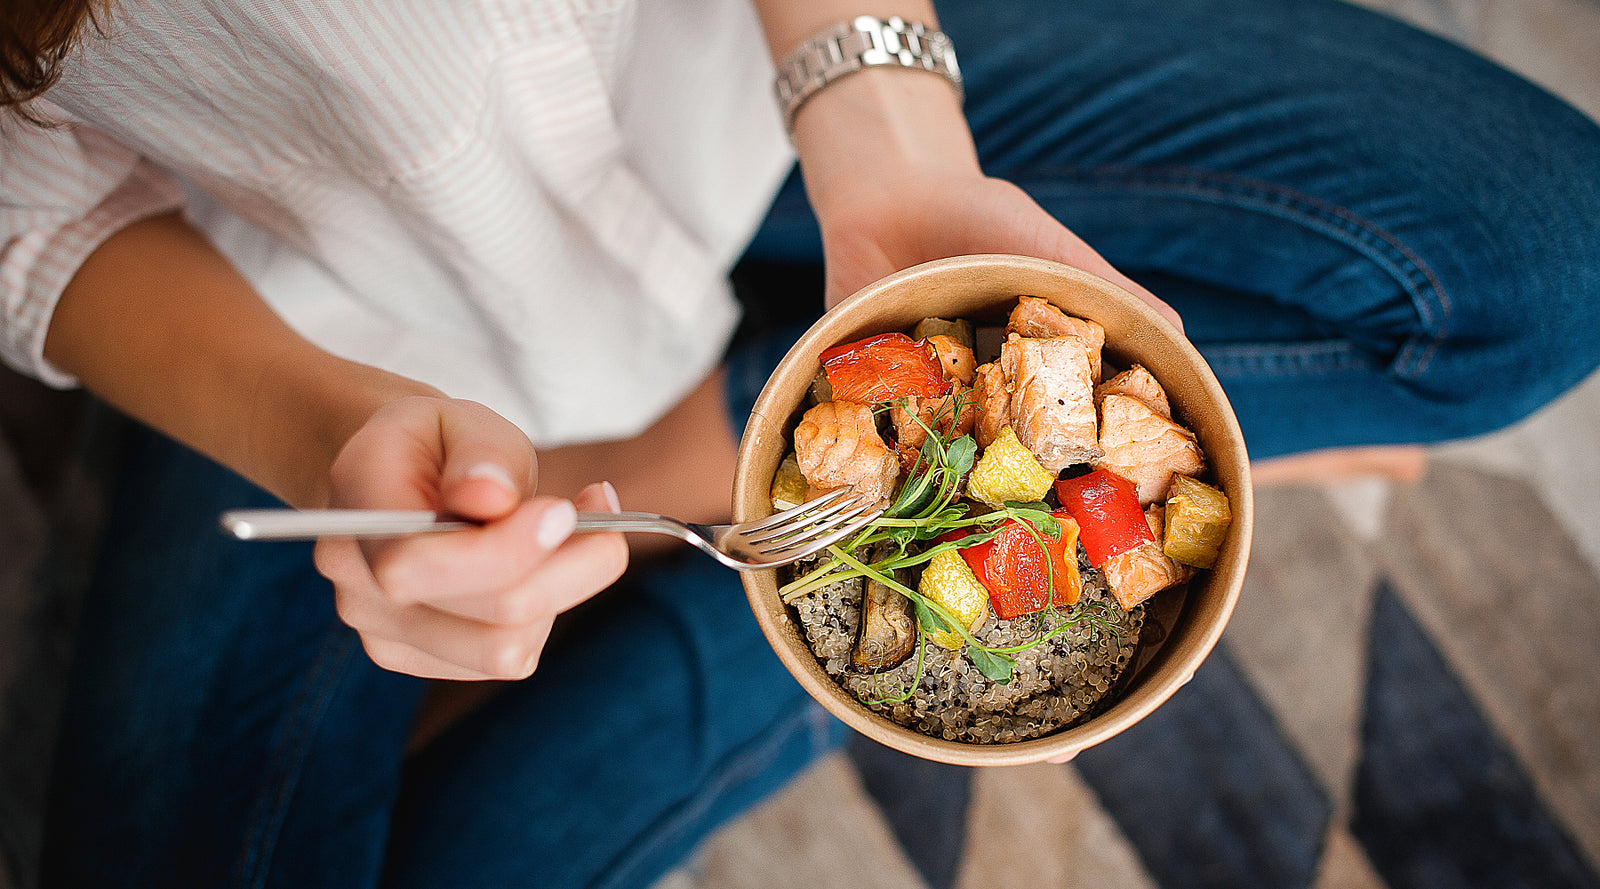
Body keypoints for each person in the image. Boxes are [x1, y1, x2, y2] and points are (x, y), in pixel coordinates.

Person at [3, 0, 1597, 886]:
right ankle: (800, 562)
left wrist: (891, 139)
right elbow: (31, 214)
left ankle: (754, 518)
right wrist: (323, 427)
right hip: (331, 305)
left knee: (1548, 257)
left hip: (773, 91)